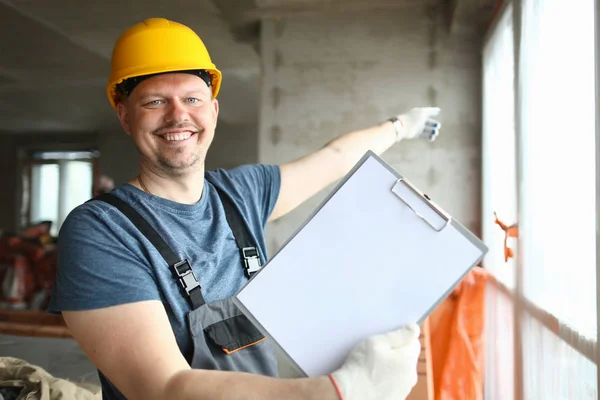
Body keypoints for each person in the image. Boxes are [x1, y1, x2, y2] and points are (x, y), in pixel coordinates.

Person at [49, 18, 442, 400]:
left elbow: (336, 157)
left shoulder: (242, 195)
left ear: (213, 111)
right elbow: (162, 388)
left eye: (192, 99)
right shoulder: (100, 231)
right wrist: (335, 392)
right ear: (125, 116)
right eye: (155, 102)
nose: (177, 115)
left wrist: (400, 127)